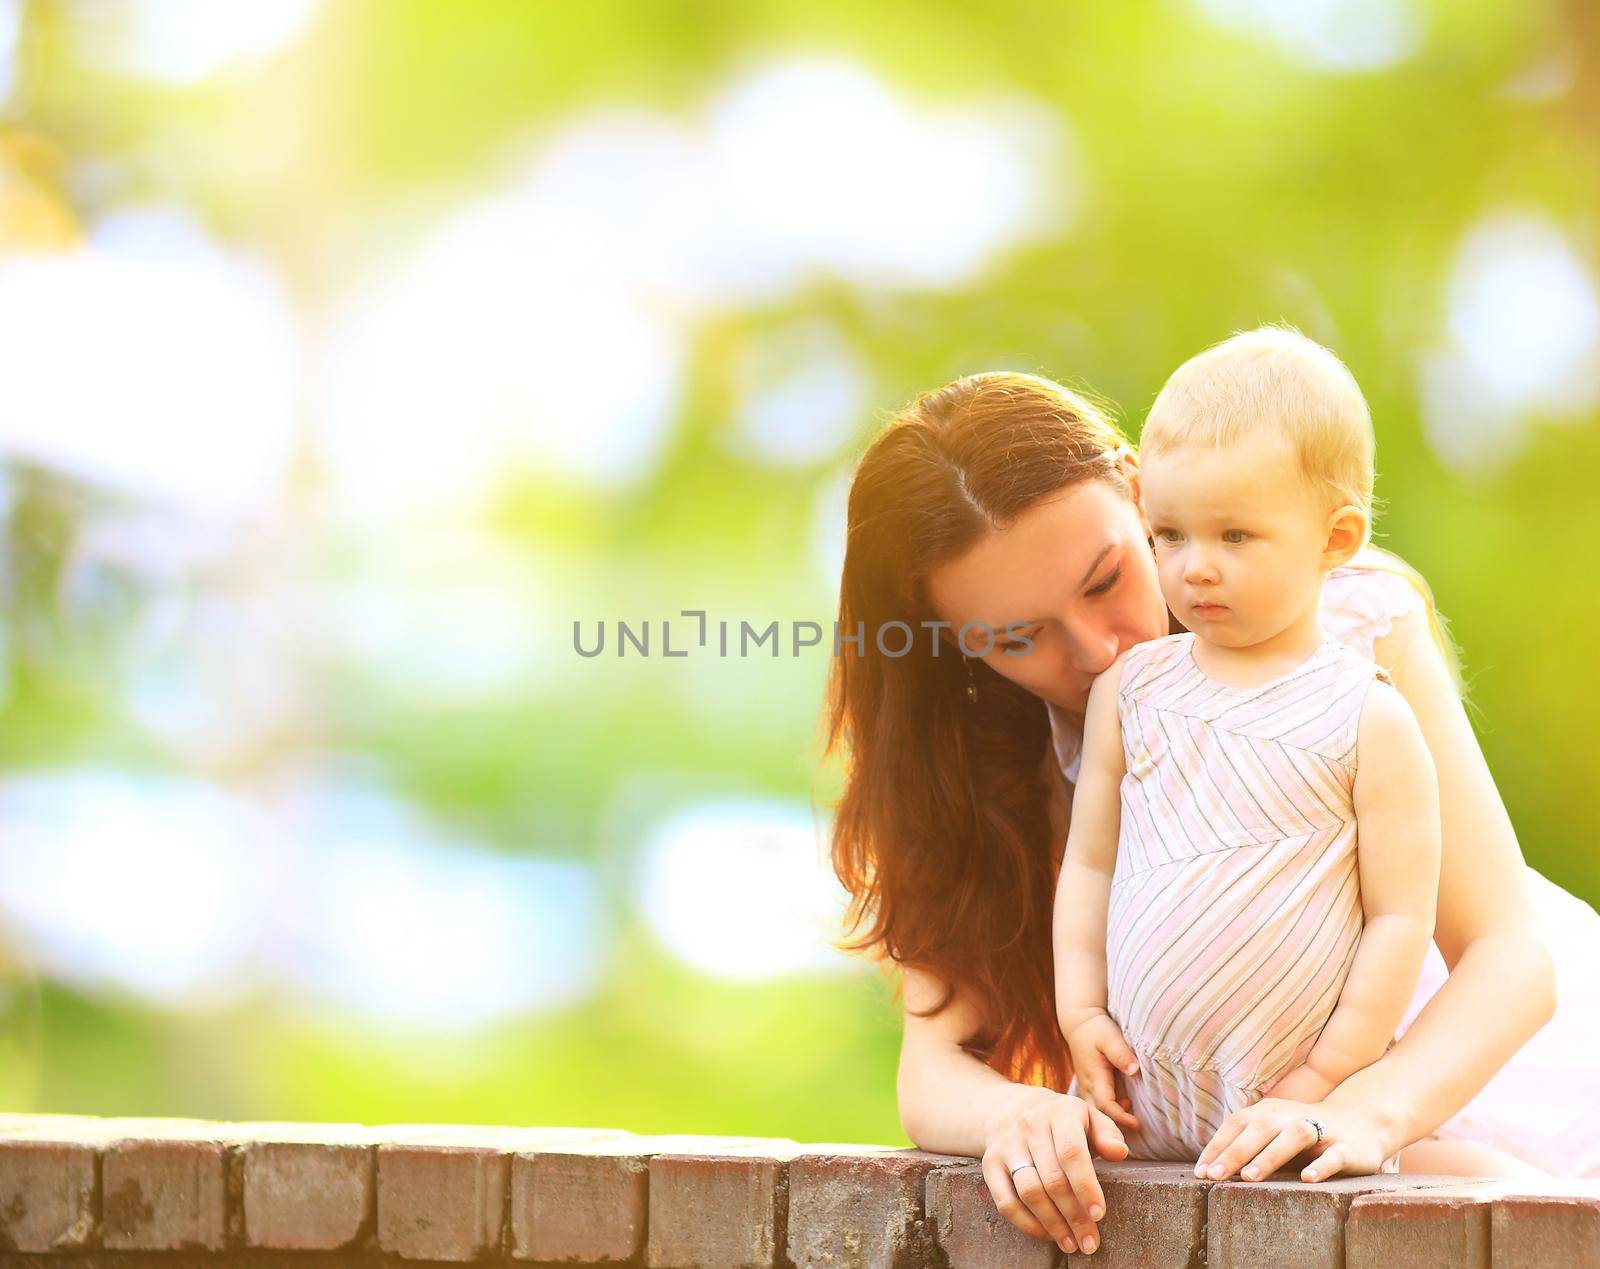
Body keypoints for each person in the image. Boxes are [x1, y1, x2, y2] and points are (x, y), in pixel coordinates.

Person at [820, 340, 1600, 1260]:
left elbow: (1510, 957)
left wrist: (1357, 1114)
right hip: (1246, 1140)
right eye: (1018, 637)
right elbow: (934, 1066)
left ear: (1138, 487)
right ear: (959, 647)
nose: (1100, 649)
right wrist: (1016, 1115)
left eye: (1108, 577)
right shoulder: (996, 767)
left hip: (1466, 1087)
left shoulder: (1341, 630)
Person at [1054, 329, 1441, 1169]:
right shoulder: (1131, 691)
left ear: (1336, 540)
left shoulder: (1367, 715)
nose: (1195, 568)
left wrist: (1324, 1080)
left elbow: (1400, 920)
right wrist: (1079, 1012)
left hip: (1297, 1114)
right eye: (1170, 534)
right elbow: (1090, 864)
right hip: (1140, 1110)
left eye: (1234, 536)